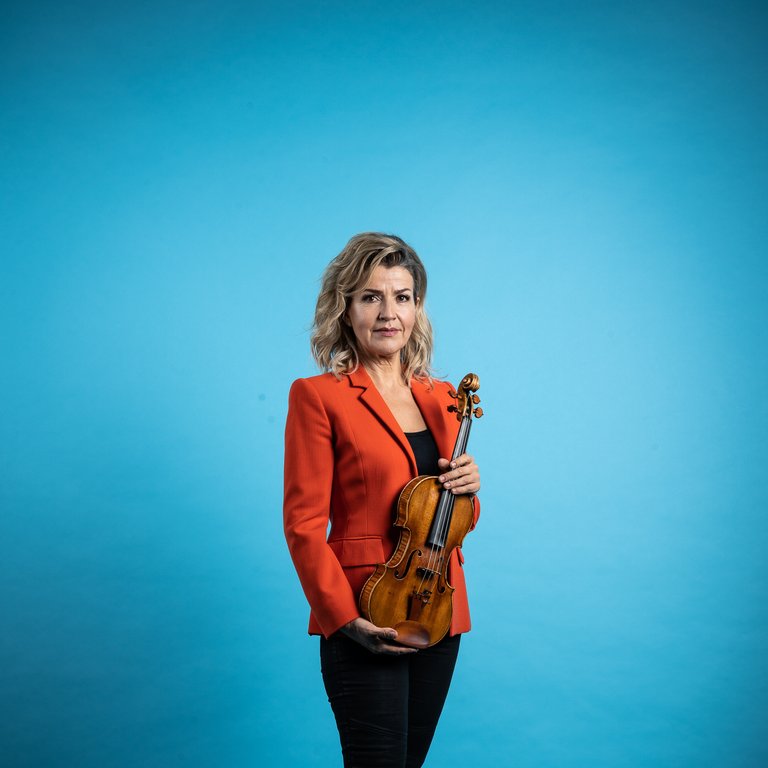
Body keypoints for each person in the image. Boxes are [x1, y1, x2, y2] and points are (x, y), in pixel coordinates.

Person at [283, 232, 481, 768]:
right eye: (371, 296)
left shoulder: (444, 398)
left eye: (402, 296)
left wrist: (468, 487)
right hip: (366, 612)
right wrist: (342, 620)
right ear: (345, 308)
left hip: (437, 610)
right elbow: (303, 525)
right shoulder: (318, 396)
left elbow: (454, 518)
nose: (388, 311)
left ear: (417, 307)